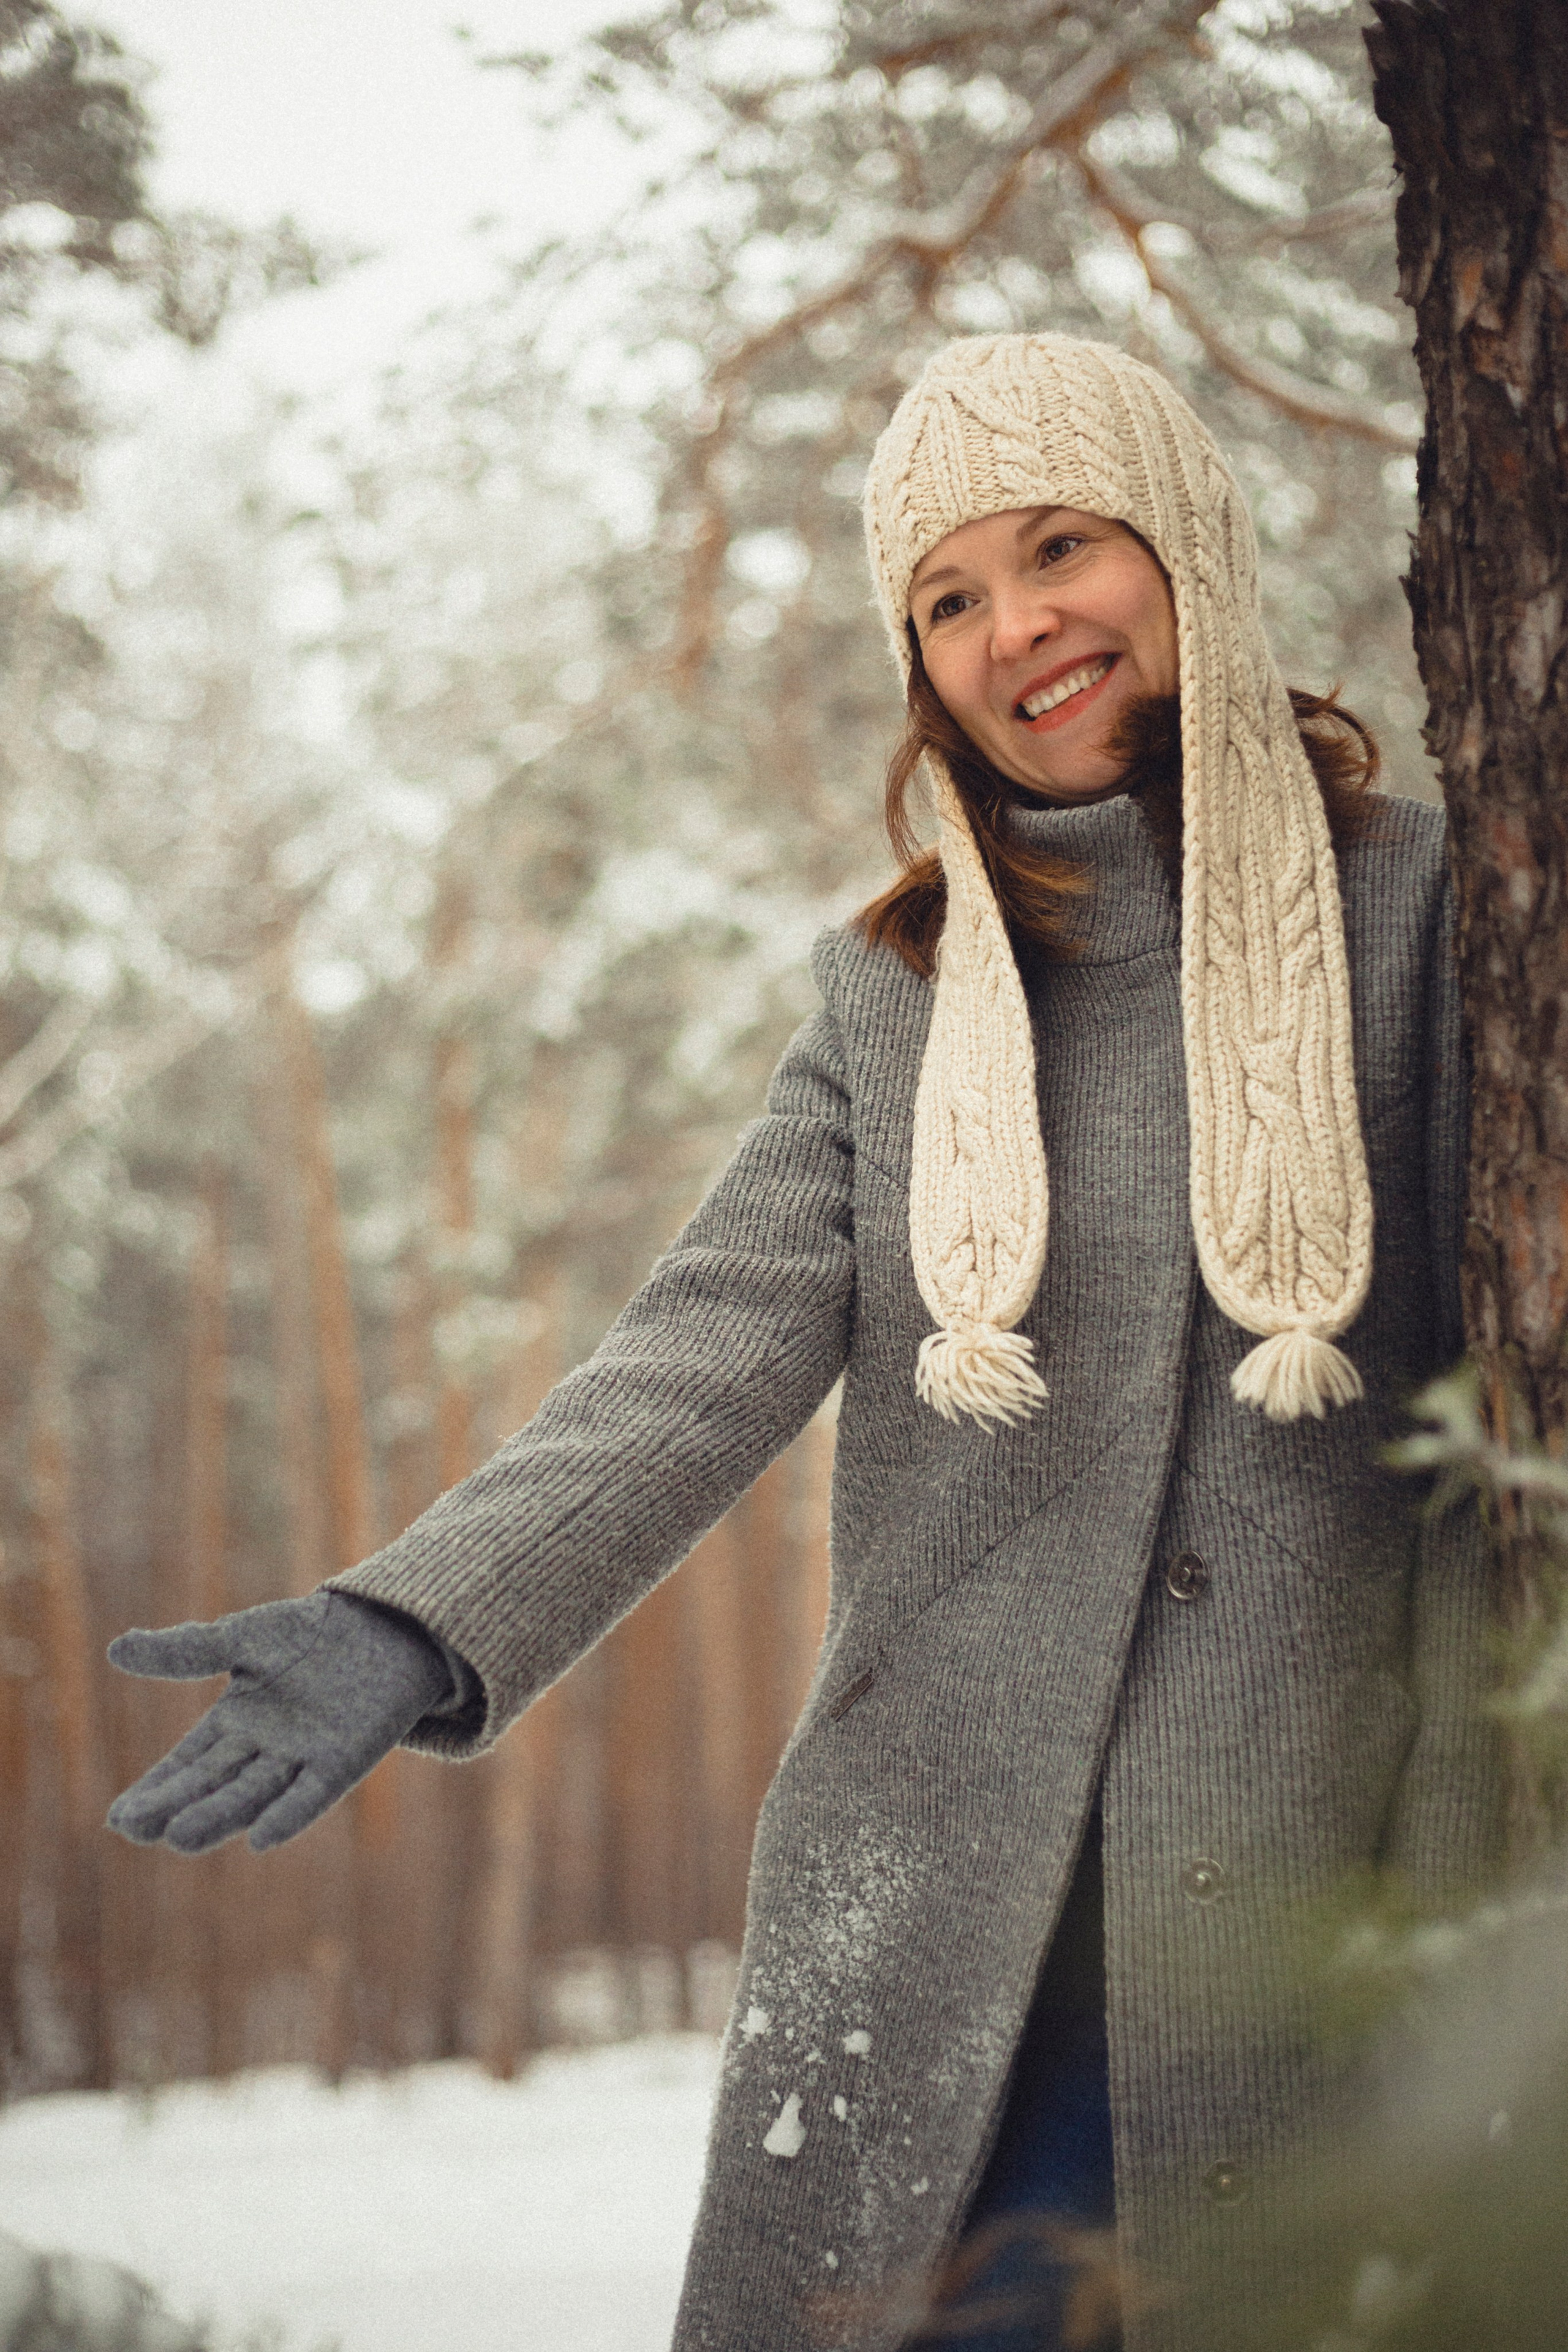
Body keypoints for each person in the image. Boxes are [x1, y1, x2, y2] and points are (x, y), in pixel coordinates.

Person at [107, 335, 1503, 2352]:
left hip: (1307, 1888)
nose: (1016, 625)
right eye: (947, 598)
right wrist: (415, 1620)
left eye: (1060, 548)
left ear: (1184, 544)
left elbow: (1494, 1455)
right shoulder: (900, 988)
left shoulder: (1433, 915)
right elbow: (703, 1350)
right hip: (933, 1907)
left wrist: (1469, 1885)